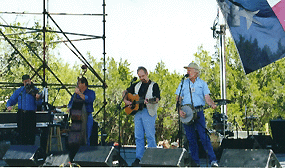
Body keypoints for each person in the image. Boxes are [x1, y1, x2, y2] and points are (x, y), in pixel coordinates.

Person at [175, 62, 218, 167]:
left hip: (198, 112)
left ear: (196, 72)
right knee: (191, 138)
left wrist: (212, 103)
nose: (187, 72)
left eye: (190, 70)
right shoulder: (183, 83)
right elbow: (178, 98)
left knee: (204, 137)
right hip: (186, 113)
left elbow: (207, 97)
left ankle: (213, 160)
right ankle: (196, 162)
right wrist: (179, 110)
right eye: (187, 70)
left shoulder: (202, 83)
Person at [123, 66, 160, 167]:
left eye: (143, 76)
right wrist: (126, 100)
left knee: (150, 135)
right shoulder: (136, 85)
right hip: (137, 112)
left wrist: (149, 101)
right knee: (138, 136)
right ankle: (139, 158)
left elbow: (157, 99)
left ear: (147, 73)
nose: (141, 78)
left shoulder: (154, 85)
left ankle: (153, 158)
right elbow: (125, 92)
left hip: (148, 112)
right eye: (139, 76)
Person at [6, 74, 42, 145]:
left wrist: (37, 99)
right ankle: (22, 152)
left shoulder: (35, 90)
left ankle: (30, 151)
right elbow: (12, 100)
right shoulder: (20, 91)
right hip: (21, 114)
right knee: (21, 134)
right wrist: (8, 106)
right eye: (25, 82)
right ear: (23, 82)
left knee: (31, 134)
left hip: (31, 114)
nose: (27, 83)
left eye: (28, 81)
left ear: (30, 81)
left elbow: (39, 104)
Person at [67, 77, 96, 146]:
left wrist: (79, 93)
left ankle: (86, 149)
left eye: (79, 84)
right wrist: (70, 107)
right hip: (77, 118)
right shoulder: (75, 94)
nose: (77, 85)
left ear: (84, 84)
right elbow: (70, 102)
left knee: (87, 135)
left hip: (87, 116)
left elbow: (88, 99)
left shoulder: (91, 92)